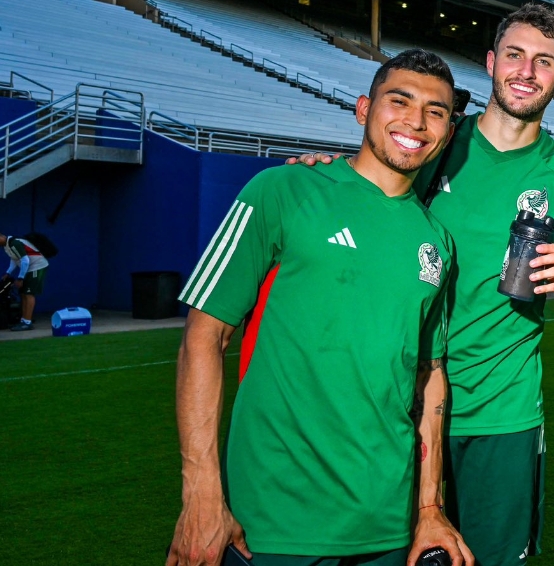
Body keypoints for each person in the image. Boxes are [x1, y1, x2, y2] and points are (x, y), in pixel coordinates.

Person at [291, 3, 554, 566]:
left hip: (502, 418)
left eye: (544, 62)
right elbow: (367, 183)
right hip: (393, 406)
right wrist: (325, 173)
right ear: (490, 62)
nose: (526, 71)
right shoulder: (433, 140)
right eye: (514, 55)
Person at [166, 50, 472, 566]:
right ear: (362, 109)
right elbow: (204, 336)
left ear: (446, 131)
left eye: (435, 112)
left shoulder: (437, 242)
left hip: (387, 524)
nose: (416, 122)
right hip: (272, 521)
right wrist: (200, 493)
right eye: (399, 101)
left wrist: (428, 507)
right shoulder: (282, 190)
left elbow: (430, 377)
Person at [1, 233, 50, 332]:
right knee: (23, 293)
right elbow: (14, 259)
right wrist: (8, 272)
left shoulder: (14, 243)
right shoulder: (7, 246)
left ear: (1, 236)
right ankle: (23, 320)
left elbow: (25, 260)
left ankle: (27, 322)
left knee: (29, 294)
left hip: (37, 266)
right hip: (29, 268)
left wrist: (20, 278)